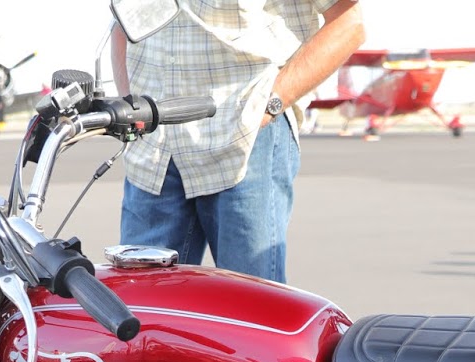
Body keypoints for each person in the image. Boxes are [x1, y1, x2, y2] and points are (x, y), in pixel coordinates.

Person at [110, 1, 366, 283]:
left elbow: (348, 23)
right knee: (143, 309)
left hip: (244, 139)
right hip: (154, 150)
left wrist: (270, 106)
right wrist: (130, 105)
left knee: (250, 310)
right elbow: (123, 21)